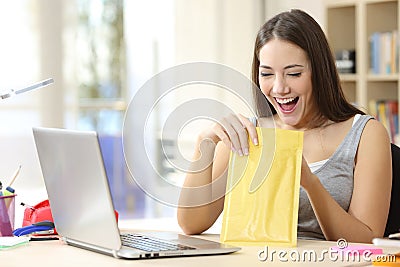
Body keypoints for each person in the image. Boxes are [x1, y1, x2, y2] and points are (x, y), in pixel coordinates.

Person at [177, 9, 392, 243]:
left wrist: (309, 182)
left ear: (319, 72)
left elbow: (368, 239)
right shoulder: (248, 134)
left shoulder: (366, 134)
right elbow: (191, 224)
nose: (279, 88)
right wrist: (204, 144)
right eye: (267, 74)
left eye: (293, 73)